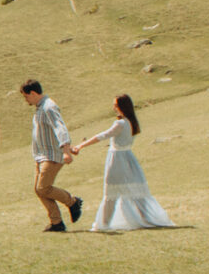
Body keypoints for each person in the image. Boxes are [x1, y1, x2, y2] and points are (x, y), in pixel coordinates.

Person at [65, 93, 175, 231]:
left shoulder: (120, 123)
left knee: (110, 193)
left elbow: (102, 136)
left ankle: (103, 224)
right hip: (128, 158)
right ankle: (146, 218)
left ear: (122, 106)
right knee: (135, 192)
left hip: (117, 159)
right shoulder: (130, 122)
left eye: (116, 105)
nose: (114, 108)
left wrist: (81, 146)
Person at [21, 79, 81, 233]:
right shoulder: (40, 108)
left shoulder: (49, 107)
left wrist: (66, 151)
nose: (26, 100)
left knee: (43, 188)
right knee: (39, 189)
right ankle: (56, 223)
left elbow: (60, 128)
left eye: (26, 96)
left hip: (52, 156)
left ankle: (72, 202)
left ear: (33, 93)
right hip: (42, 155)